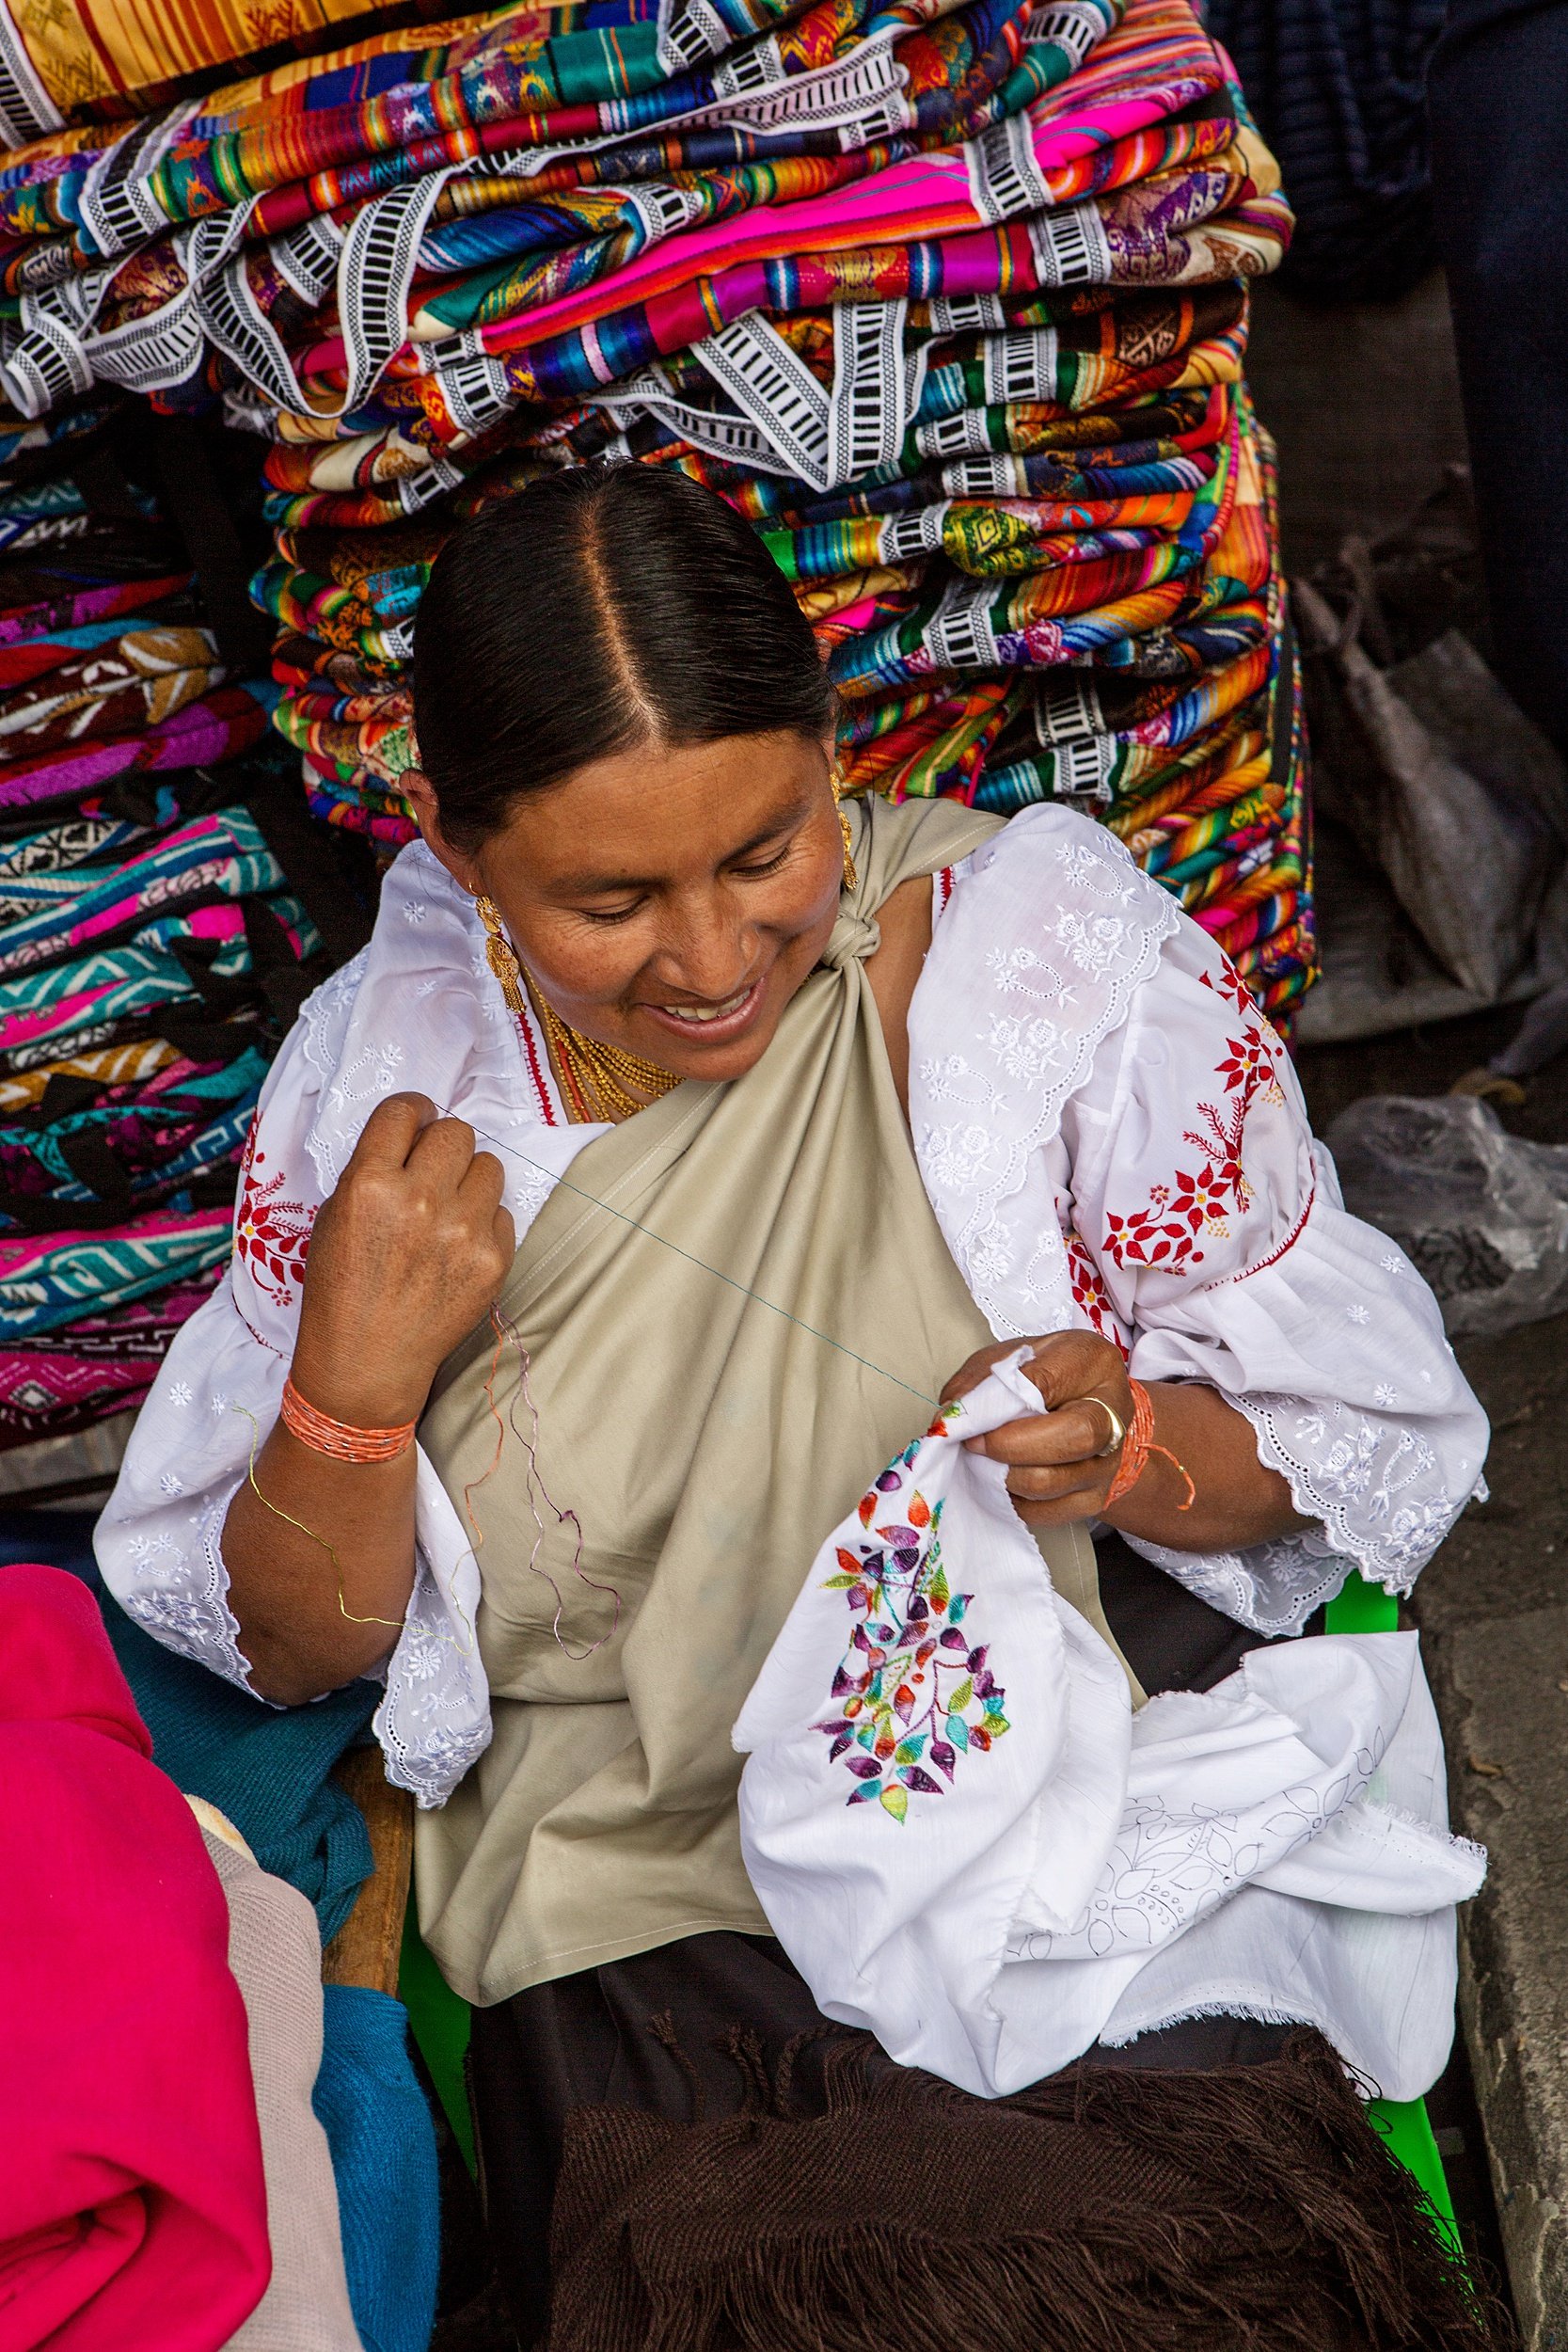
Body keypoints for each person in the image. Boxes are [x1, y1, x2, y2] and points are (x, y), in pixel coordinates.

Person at [100, 465, 1495, 2348]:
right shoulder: (391, 1102)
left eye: (764, 852)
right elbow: (282, 1644)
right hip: (649, 1892)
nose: (706, 956)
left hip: (1067, 1792)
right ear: (458, 849)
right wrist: (349, 1393)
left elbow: (1351, 1437)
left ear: (833, 748)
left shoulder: (1029, 970)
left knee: (1167, 2279)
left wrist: (1140, 1444)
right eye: (609, 898)